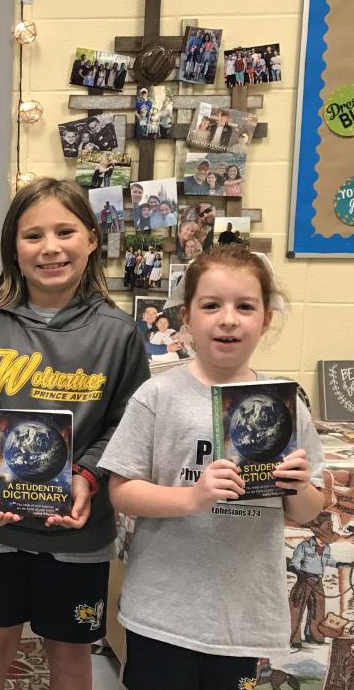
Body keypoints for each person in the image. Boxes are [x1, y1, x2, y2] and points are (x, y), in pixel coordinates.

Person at [0, 178, 150, 690]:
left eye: (65, 232)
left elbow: (127, 428)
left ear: (92, 240)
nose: (50, 247)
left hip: (79, 531)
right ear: (13, 246)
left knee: (71, 657)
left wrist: (88, 475)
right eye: (33, 235)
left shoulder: (119, 334)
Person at [100, 246, 325, 690]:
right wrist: (193, 497)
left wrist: (298, 486)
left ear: (266, 319)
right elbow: (122, 491)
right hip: (162, 611)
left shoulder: (285, 405)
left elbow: (308, 509)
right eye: (211, 305)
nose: (228, 319)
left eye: (245, 307)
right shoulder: (157, 396)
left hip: (241, 617)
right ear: (187, 317)